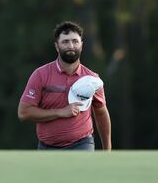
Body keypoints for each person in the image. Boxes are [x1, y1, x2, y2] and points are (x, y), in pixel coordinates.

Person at [18, 21, 111, 151]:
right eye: (65, 42)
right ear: (57, 46)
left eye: (75, 41)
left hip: (82, 144)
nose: (71, 46)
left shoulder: (92, 80)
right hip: (47, 147)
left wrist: (107, 150)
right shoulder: (40, 75)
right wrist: (60, 112)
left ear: (82, 45)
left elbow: (101, 113)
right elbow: (24, 113)